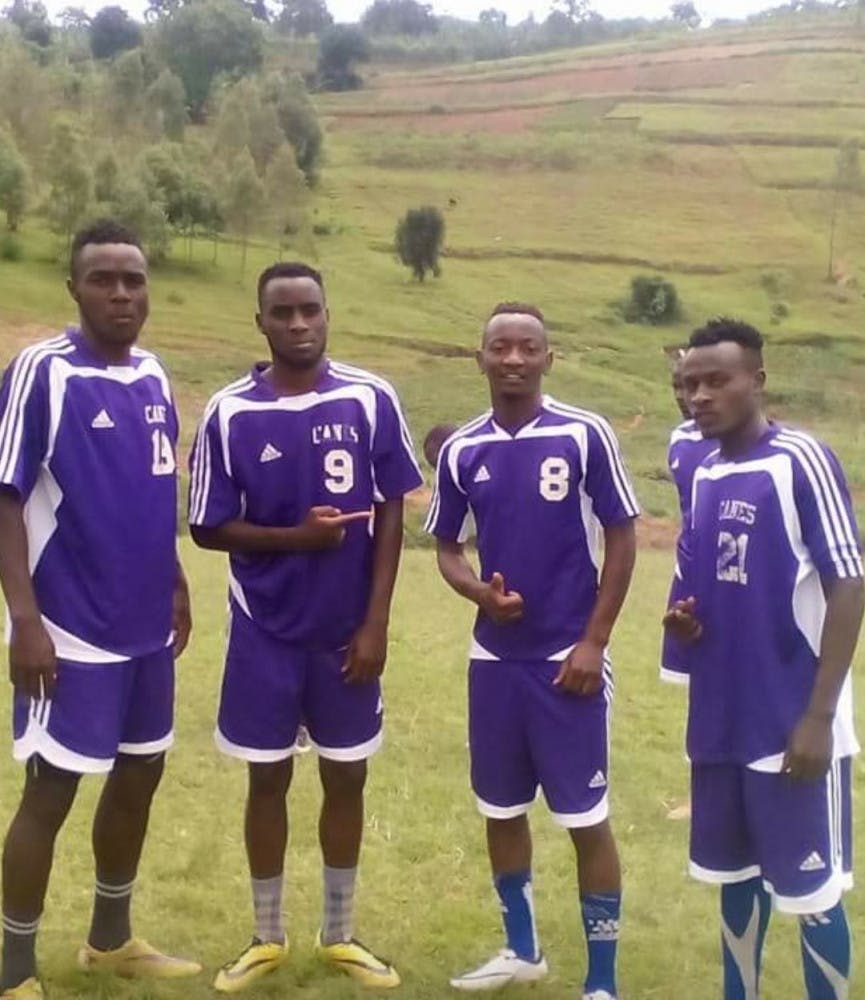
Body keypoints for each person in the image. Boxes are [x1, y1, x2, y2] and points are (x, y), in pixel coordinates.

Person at [188, 261, 422, 994]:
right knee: (267, 779)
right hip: (264, 631)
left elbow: (391, 507)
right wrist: (296, 538)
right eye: (281, 312)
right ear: (259, 321)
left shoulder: (369, 396)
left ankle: (341, 933)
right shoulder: (229, 411)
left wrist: (376, 621)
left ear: (328, 313)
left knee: (346, 776)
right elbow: (206, 527)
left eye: (309, 310)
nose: (297, 323)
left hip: (347, 631)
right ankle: (265, 937)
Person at [0, 220, 199, 1000]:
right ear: (73, 287)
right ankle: (14, 968)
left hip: (144, 627)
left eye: (134, 279)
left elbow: (150, 489)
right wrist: (24, 621)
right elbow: (6, 496)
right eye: (104, 279)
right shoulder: (40, 373)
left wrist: (176, 576)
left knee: (141, 771)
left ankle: (109, 940)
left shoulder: (152, 373)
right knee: (52, 789)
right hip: (69, 628)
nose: (121, 293)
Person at [426, 303, 638, 1000]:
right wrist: (479, 597)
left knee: (583, 819)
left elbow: (621, 536)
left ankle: (601, 982)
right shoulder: (462, 449)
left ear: (549, 358)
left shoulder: (584, 434)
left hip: (566, 658)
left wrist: (592, 641)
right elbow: (448, 549)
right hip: (494, 662)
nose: (512, 358)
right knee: (500, 807)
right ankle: (521, 950)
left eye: (527, 347)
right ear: (478, 358)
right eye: (499, 347)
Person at [664, 318, 863, 1000]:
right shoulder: (706, 471)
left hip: (791, 724)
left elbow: (847, 583)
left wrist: (817, 716)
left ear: (757, 380)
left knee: (811, 893)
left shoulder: (799, 459)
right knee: (733, 880)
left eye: (717, 380)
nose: (699, 396)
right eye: (690, 384)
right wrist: (690, 625)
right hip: (721, 721)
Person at [660, 349, 716, 685]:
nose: (685, 396)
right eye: (678, 386)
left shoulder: (742, 440)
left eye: (692, 385)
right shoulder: (679, 440)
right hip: (690, 577)